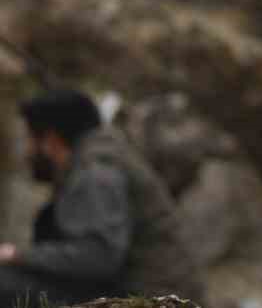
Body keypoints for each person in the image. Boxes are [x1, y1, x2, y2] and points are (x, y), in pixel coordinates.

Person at [0, 89, 204, 305]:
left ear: (50, 141)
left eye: (31, 139)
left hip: (148, 296)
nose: (27, 152)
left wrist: (18, 256)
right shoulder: (99, 159)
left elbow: (99, 256)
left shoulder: (96, 172)